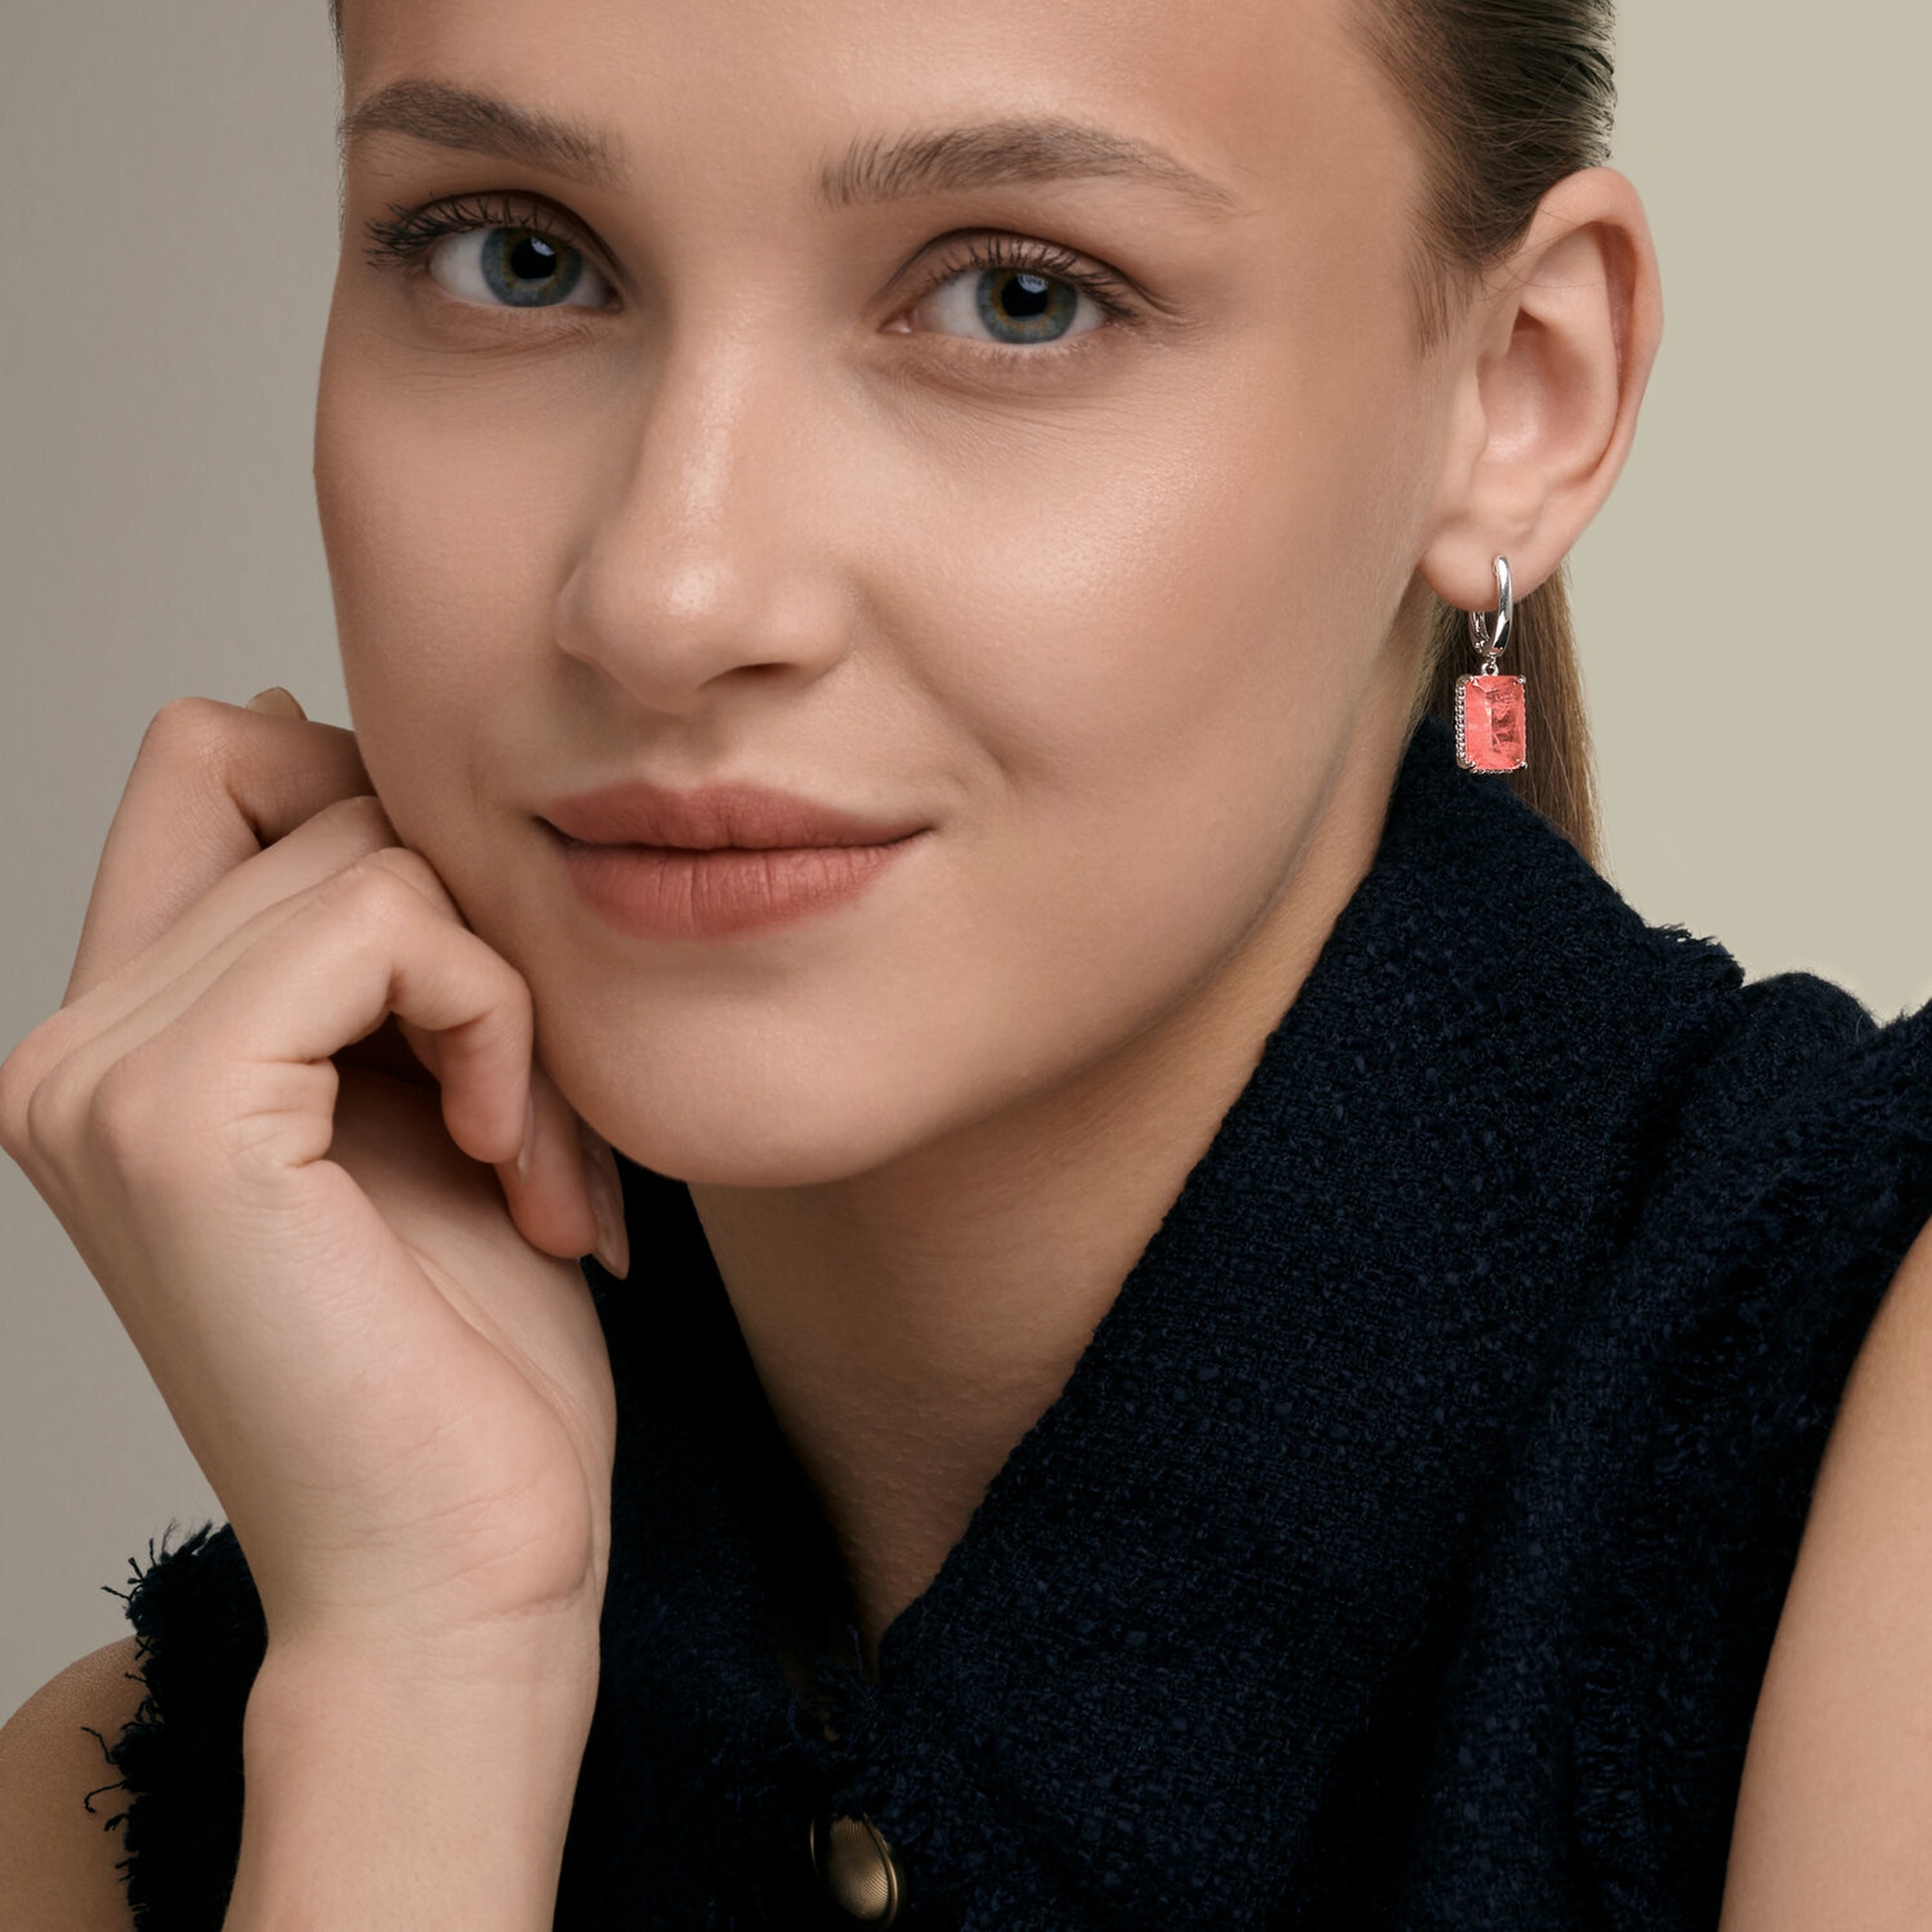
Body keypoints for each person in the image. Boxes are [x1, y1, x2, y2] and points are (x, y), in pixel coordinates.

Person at [1, 0, 1929, 1924]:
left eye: (1018, 297)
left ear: (1518, 394)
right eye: (517, 258)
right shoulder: (150, 1799)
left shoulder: (1866, 1451)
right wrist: (426, 1695)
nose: (670, 593)